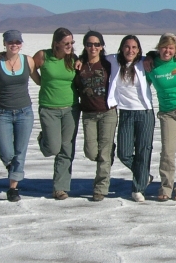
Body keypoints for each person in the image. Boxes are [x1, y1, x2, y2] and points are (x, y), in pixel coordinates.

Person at [0, 30, 36, 202]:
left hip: (24, 113)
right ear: (4, 43)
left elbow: (40, 80)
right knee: (6, 153)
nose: (15, 44)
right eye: (11, 41)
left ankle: (13, 188)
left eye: (18, 42)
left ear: (21, 43)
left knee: (20, 152)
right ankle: (13, 169)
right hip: (2, 113)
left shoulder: (28, 61)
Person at [146, 33, 176, 201]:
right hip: (167, 113)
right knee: (167, 152)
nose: (167, 50)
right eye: (164, 47)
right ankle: (166, 187)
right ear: (159, 48)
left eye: (170, 47)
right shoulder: (152, 66)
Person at [32, 27, 80, 200]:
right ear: (56, 43)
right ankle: (43, 139)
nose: (70, 46)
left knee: (66, 148)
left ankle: (60, 188)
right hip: (49, 108)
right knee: (53, 147)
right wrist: (40, 82)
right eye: (66, 43)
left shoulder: (73, 59)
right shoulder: (43, 56)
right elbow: (30, 67)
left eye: (72, 43)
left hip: (71, 108)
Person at [108, 35, 155, 202]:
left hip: (145, 112)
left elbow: (159, 55)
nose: (130, 50)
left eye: (134, 47)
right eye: (127, 47)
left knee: (144, 151)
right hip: (126, 112)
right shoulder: (114, 61)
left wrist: (150, 55)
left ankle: (138, 188)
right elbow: (95, 57)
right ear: (121, 48)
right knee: (124, 152)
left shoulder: (144, 62)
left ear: (139, 50)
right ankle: (144, 176)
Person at [75, 31, 117, 201]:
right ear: (85, 46)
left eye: (97, 44)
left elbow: (134, 56)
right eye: (90, 44)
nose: (93, 47)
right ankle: (109, 151)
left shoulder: (108, 64)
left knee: (103, 155)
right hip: (89, 114)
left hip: (108, 113)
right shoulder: (79, 65)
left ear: (102, 46)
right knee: (91, 152)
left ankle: (100, 188)